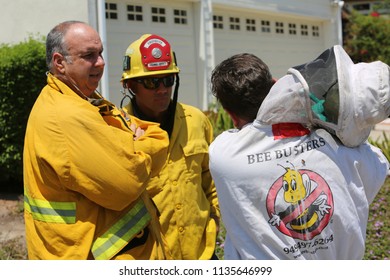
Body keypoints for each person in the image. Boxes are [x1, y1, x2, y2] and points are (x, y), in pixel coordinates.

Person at [209, 49, 390, 259]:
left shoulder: (223, 155)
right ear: (275, 84)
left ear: (230, 114)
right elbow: (376, 164)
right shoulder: (347, 150)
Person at [23, 21, 171, 260]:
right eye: (89, 55)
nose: (101, 62)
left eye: (100, 53)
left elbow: (156, 133)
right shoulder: (66, 115)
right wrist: (133, 143)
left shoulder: (83, 98)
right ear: (60, 63)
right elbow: (126, 184)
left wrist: (130, 149)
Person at [120, 34, 220, 259]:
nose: (162, 88)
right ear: (130, 85)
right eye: (152, 82)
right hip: (152, 257)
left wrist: (214, 221)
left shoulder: (196, 120)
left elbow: (211, 180)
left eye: (168, 80)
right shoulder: (118, 130)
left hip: (203, 253)